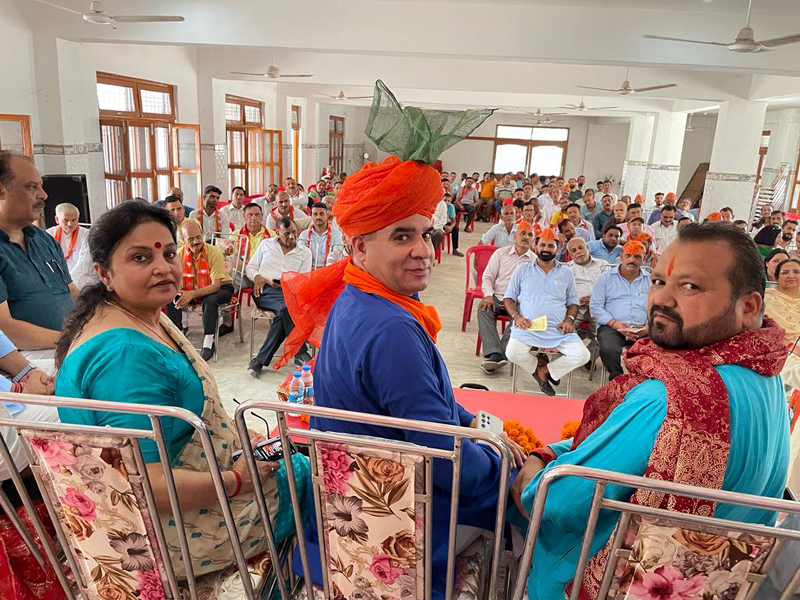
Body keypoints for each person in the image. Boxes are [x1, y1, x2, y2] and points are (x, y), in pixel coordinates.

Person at [273, 89, 523, 600]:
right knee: (535, 505)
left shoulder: (359, 297)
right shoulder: (390, 329)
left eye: (426, 235)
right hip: (398, 520)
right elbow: (444, 458)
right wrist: (504, 464)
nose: (423, 250)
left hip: (359, 501)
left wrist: (475, 426)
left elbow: (426, 413)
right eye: (402, 236)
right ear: (361, 245)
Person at [513, 222, 790, 600]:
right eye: (658, 281)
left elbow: (559, 504)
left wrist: (533, 470)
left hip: (599, 586)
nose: (662, 299)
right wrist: (555, 451)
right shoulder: (766, 373)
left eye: (689, 286)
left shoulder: (667, 398)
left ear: (748, 307)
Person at [54, 202, 310, 580]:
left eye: (169, 254)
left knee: (292, 459)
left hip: (192, 479)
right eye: (140, 257)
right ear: (104, 273)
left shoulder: (137, 314)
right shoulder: (126, 357)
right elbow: (148, 485)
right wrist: (238, 478)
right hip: (169, 532)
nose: (163, 267)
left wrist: (233, 436)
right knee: (309, 477)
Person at [0, 151, 78, 360]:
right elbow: (6, 330)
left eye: (41, 186)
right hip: (26, 361)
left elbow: (71, 291)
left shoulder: (44, 239)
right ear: (1, 191)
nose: (44, 195)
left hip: (71, 347)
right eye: (31, 187)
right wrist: (73, 339)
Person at [504, 228, 590, 396]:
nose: (546, 249)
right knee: (512, 352)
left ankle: (546, 370)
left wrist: (569, 320)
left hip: (557, 329)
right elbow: (508, 298)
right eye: (542, 245)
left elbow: (573, 303)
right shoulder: (522, 270)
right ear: (535, 246)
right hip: (528, 327)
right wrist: (517, 317)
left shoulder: (566, 273)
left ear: (557, 248)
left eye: (550, 246)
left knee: (582, 355)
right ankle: (538, 365)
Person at [246, 217, 312, 376]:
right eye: (286, 234)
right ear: (277, 233)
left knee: (284, 311)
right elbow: (250, 267)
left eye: (294, 232)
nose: (292, 236)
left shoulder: (305, 252)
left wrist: (286, 284)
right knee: (287, 308)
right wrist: (257, 277)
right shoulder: (266, 245)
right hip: (265, 290)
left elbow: (304, 281)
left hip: (290, 293)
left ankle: (259, 361)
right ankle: (301, 352)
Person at [165, 219, 234, 360]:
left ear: (202, 234)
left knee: (210, 300)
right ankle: (178, 338)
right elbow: (177, 282)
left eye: (198, 237)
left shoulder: (213, 251)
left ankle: (209, 341)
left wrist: (191, 294)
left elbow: (216, 286)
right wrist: (179, 294)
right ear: (183, 240)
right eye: (190, 239)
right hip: (192, 288)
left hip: (221, 287)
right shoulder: (179, 255)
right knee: (170, 298)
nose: (196, 241)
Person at [479, 222, 535, 374]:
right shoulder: (500, 253)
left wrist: (513, 302)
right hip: (497, 297)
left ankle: (497, 356)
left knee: (521, 319)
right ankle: (495, 352)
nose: (526, 237)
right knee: (483, 309)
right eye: (523, 233)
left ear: (533, 240)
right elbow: (488, 277)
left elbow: (533, 290)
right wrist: (488, 296)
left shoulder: (535, 262)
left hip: (519, 302)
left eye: (530, 235)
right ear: (515, 236)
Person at [590, 241, 651, 380]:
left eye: (637, 257)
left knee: (657, 349)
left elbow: (657, 309)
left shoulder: (651, 280)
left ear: (644, 258)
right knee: (609, 349)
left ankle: (642, 382)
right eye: (628, 256)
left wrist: (647, 328)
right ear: (621, 256)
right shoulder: (606, 278)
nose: (632, 260)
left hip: (642, 328)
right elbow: (595, 306)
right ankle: (617, 380)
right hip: (612, 326)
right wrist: (615, 324)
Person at [764, 258, 800, 392]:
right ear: (777, 277)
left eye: (796, 271)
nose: (791, 276)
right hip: (780, 346)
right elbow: (764, 329)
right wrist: (792, 347)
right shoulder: (766, 298)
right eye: (785, 272)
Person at [566, 237, 606, 340]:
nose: (578, 252)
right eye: (574, 250)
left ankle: (593, 346)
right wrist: (574, 301)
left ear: (587, 248)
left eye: (581, 248)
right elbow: (563, 292)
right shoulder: (567, 269)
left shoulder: (602, 265)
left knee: (604, 338)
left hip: (599, 307)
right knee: (563, 333)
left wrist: (594, 299)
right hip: (575, 310)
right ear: (570, 255)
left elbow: (610, 288)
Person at [224, 202, 270, 289]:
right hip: (243, 274)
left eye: (257, 215)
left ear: (262, 216)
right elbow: (233, 258)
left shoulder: (272, 235)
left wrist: (259, 274)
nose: (254, 218)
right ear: (244, 216)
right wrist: (252, 273)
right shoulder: (236, 235)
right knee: (229, 279)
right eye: (250, 215)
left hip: (265, 275)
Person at [298, 203, 343, 269]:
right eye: (315, 214)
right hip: (308, 270)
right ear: (311, 216)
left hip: (329, 270)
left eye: (321, 214)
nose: (318, 217)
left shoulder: (337, 235)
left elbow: (336, 258)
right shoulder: (304, 235)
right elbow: (301, 257)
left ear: (326, 215)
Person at [46, 203, 89, 273]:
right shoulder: (48, 234)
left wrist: (69, 279)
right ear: (57, 219)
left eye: (73, 220)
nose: (70, 224)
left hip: (80, 276)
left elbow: (84, 262)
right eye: (65, 220)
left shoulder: (86, 234)